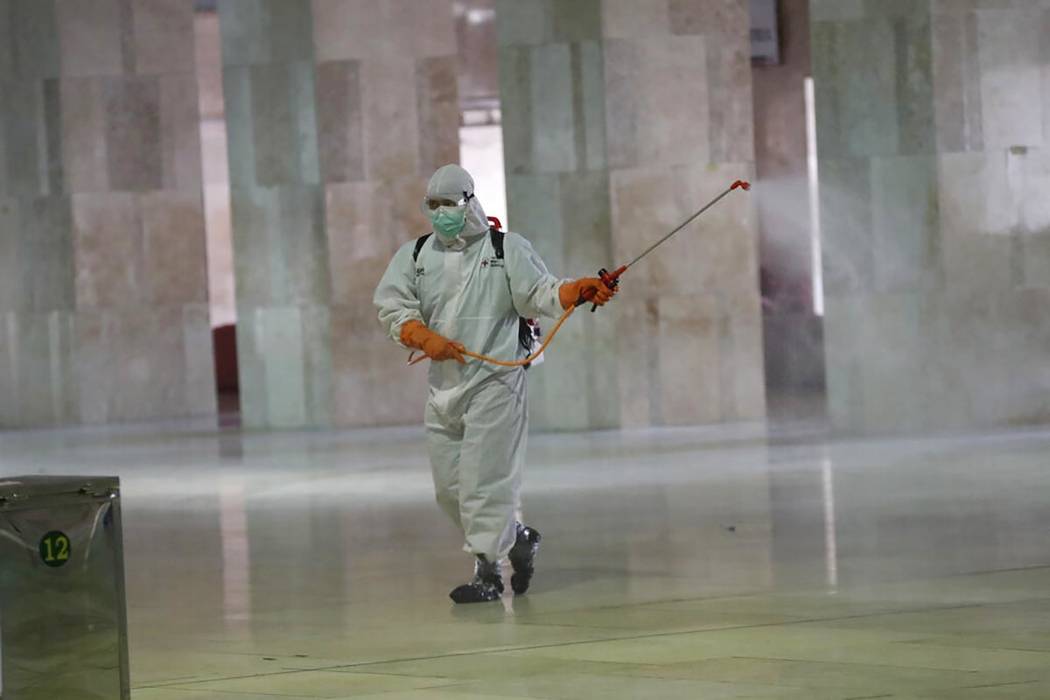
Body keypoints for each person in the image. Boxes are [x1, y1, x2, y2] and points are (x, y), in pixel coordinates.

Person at [373, 164, 617, 603]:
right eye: (434, 205)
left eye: (449, 203)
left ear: (470, 201)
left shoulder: (505, 248)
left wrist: (577, 290)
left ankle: (488, 572)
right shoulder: (416, 255)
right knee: (450, 491)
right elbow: (392, 306)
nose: (441, 212)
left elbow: (539, 292)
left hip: (496, 381)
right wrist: (421, 335)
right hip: (443, 386)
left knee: (486, 482)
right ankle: (519, 539)